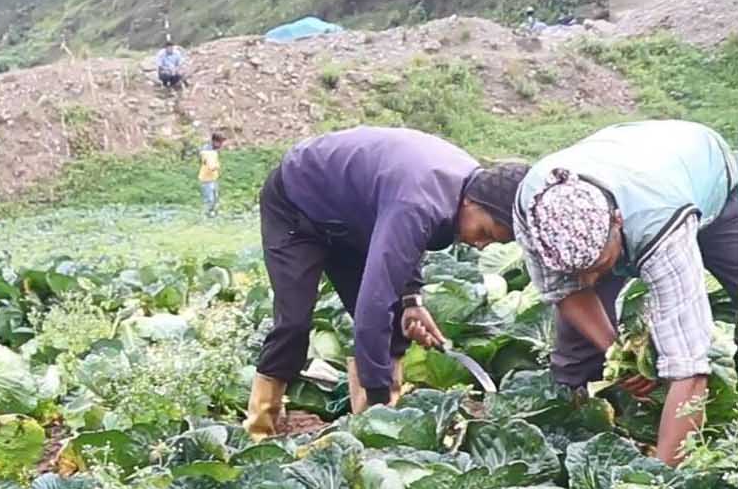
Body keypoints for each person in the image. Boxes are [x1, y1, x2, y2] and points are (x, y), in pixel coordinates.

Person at [245, 126, 528, 438]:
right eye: (485, 232)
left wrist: (412, 301)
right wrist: (379, 396)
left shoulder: (464, 188)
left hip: (350, 218)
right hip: (296, 202)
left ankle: (364, 432)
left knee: (393, 323)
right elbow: (373, 305)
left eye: (492, 242)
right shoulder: (420, 201)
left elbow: (402, 247)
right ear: (470, 204)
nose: (481, 245)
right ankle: (260, 428)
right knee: (294, 322)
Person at [512, 120, 737, 466]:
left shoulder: (660, 224)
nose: (588, 281)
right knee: (577, 345)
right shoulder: (534, 208)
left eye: (598, 267)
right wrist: (618, 356)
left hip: (704, 176)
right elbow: (567, 291)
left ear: (617, 222)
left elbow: (691, 368)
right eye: (575, 271)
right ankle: (572, 425)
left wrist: (658, 482)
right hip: (626, 160)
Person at [198, 130, 224, 218]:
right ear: (214, 141)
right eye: (220, 142)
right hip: (206, 179)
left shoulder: (214, 151)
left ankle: (213, 214)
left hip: (213, 178)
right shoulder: (206, 151)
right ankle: (207, 215)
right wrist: (215, 166)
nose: (221, 145)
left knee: (215, 198)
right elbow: (211, 165)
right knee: (209, 199)